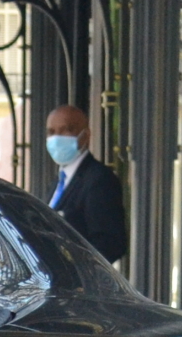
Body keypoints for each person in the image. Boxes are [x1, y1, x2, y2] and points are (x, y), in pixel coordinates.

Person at [43, 105, 127, 264]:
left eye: (65, 130)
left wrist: (76, 269)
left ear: (85, 135)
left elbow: (110, 243)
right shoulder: (58, 182)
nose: (56, 138)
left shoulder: (99, 180)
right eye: (51, 132)